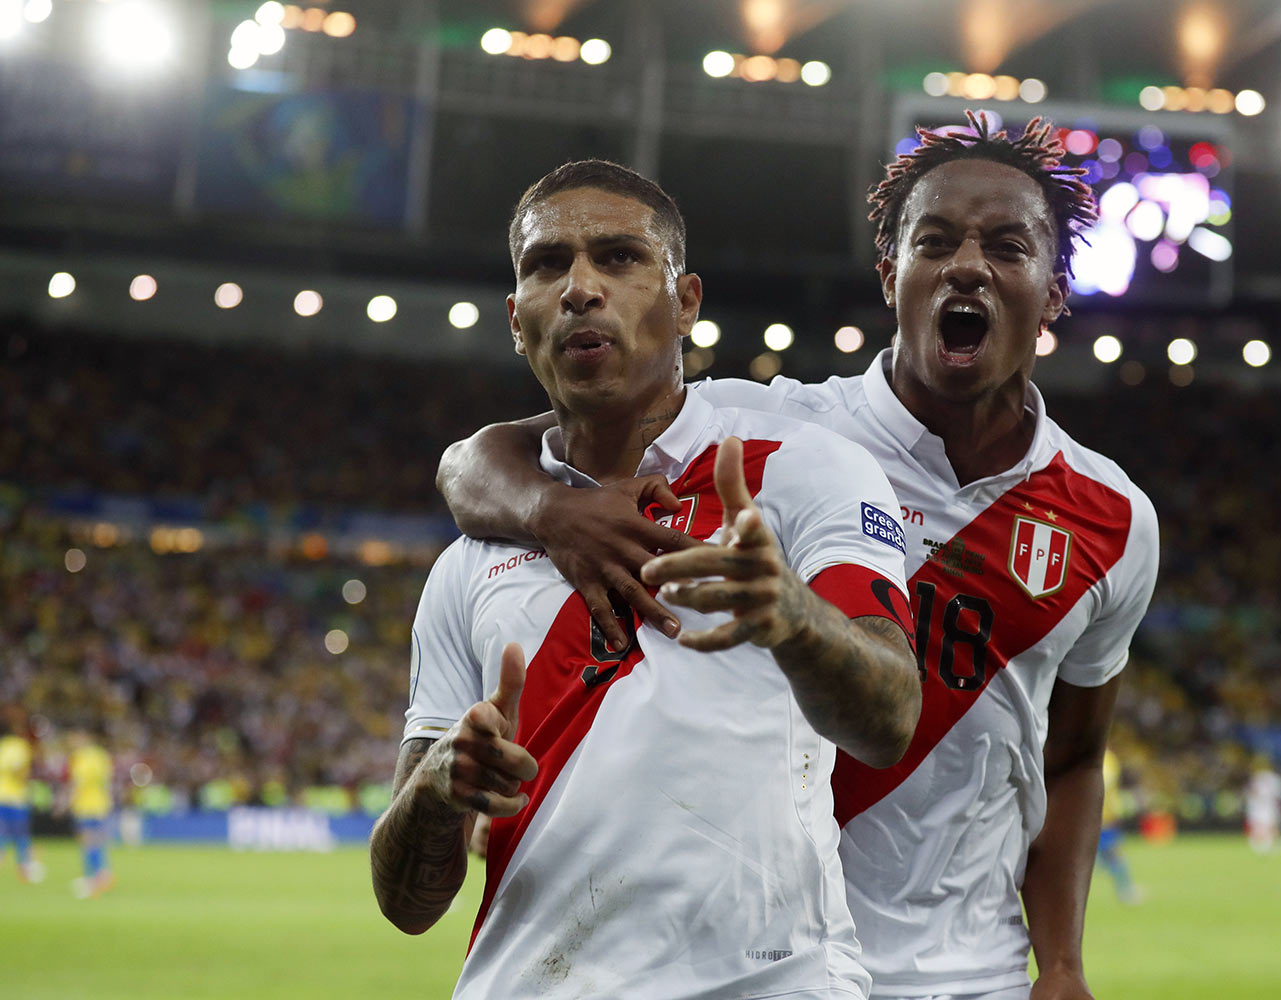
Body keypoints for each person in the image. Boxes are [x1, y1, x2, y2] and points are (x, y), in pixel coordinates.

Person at [437, 112, 1160, 1000]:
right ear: (892, 275)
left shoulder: (1114, 518)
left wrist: (1064, 965)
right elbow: (476, 460)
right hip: (783, 960)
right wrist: (553, 510)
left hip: (976, 973)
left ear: (1053, 291)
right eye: (933, 242)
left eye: (1009, 247)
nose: (966, 265)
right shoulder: (779, 431)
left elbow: (1075, 761)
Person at [370, 159, 921, 999]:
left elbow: (890, 721)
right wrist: (442, 789)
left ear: (687, 302)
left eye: (620, 258)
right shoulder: (469, 563)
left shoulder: (801, 472)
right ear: (517, 320)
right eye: (548, 264)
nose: (581, 287)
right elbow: (406, 904)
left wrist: (796, 618)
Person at [65, 727, 115, 898]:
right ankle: (103, 874)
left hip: (85, 806)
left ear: (82, 736)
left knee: (87, 843)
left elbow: (77, 783)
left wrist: (68, 801)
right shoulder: (101, 755)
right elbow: (106, 781)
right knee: (98, 843)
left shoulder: (79, 757)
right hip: (101, 804)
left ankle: (91, 879)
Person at [0, 707, 44, 884]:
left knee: (2, 835)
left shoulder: (2, 746)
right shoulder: (21, 746)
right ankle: (23, 870)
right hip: (16, 799)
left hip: (1, 797)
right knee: (21, 836)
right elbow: (21, 773)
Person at [1095, 747, 1140, 904]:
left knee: (1112, 855)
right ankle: (1126, 890)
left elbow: (1105, 782)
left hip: (1105, 817)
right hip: (1095, 818)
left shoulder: (1108, 757)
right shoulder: (1102, 756)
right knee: (1111, 856)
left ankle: (1125, 889)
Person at [1244, 761, 1281, 855]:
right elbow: (1249, 793)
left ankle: (1274, 843)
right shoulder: (1255, 778)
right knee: (1259, 826)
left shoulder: (1273, 779)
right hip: (1258, 806)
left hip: (1268, 806)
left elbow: (1278, 796)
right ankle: (1261, 845)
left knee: (1270, 826)